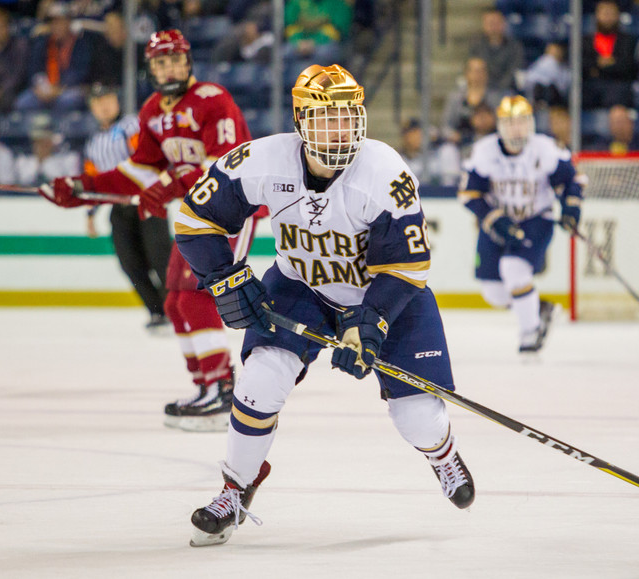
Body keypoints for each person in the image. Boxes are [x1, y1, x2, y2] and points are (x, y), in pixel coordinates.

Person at [175, 64, 475, 547]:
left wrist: (370, 322)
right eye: (326, 118)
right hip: (301, 287)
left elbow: (407, 265)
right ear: (301, 119)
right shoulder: (264, 160)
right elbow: (194, 219)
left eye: (347, 117)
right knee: (259, 382)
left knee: (417, 417)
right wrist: (224, 278)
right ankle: (235, 489)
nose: (340, 129)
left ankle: (441, 452)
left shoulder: (385, 172)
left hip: (382, 294)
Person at [38, 29, 261, 432]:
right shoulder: (153, 110)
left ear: (188, 61)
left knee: (195, 297)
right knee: (174, 301)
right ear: (151, 69)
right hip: (199, 214)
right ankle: (205, 385)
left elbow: (224, 164)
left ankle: (223, 390)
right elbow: (140, 171)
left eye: (176, 59)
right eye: (161, 62)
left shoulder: (213, 99)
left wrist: (169, 186)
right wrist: (82, 188)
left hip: (235, 208)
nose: (169, 67)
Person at [458, 95, 584, 354]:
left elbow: (571, 181)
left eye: (522, 122)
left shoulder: (545, 149)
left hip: (536, 219)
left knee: (513, 269)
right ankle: (539, 309)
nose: (517, 129)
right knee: (493, 293)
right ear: (500, 126)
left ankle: (530, 333)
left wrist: (571, 208)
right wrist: (495, 219)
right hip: (498, 221)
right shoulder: (485, 152)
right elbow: (468, 195)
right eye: (511, 123)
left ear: (531, 123)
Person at [82, 83, 173, 330]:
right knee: (130, 263)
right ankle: (157, 311)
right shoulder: (93, 143)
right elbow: (93, 179)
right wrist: (90, 213)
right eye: (98, 102)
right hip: (120, 207)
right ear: (92, 108)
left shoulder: (132, 125)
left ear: (117, 100)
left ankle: (176, 309)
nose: (104, 106)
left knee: (161, 258)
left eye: (108, 99)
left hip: (147, 200)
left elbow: (146, 157)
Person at [582, 0, 637, 109]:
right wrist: (608, 63)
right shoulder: (585, 41)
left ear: (618, 15)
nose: (608, 17)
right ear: (597, 15)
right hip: (591, 87)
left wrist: (598, 68)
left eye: (611, 13)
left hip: (617, 87)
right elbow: (583, 65)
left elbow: (627, 67)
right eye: (605, 13)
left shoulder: (627, 40)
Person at [14, 115, 81, 186]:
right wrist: (39, 162)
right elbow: (21, 183)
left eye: (45, 142)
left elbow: (75, 187)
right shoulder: (23, 160)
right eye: (37, 141)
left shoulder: (70, 158)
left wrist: (47, 161)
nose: (41, 146)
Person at [469, 8, 524, 92]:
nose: (493, 27)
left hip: (508, 90)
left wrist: (500, 88)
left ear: (504, 24)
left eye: (497, 23)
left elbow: (515, 70)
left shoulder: (515, 46)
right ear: (484, 25)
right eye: (490, 23)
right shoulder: (476, 46)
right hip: (482, 90)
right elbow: (474, 68)